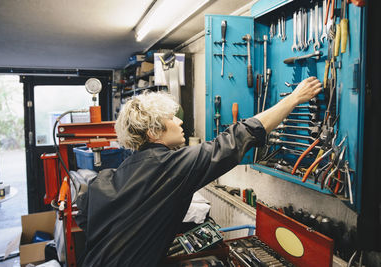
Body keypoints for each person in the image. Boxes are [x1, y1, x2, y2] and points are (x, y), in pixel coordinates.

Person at [76, 77, 322, 266]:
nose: (181, 122)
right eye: (172, 118)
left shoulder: (108, 177)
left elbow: (84, 213)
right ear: (152, 132)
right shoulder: (168, 167)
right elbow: (235, 140)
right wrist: (293, 99)